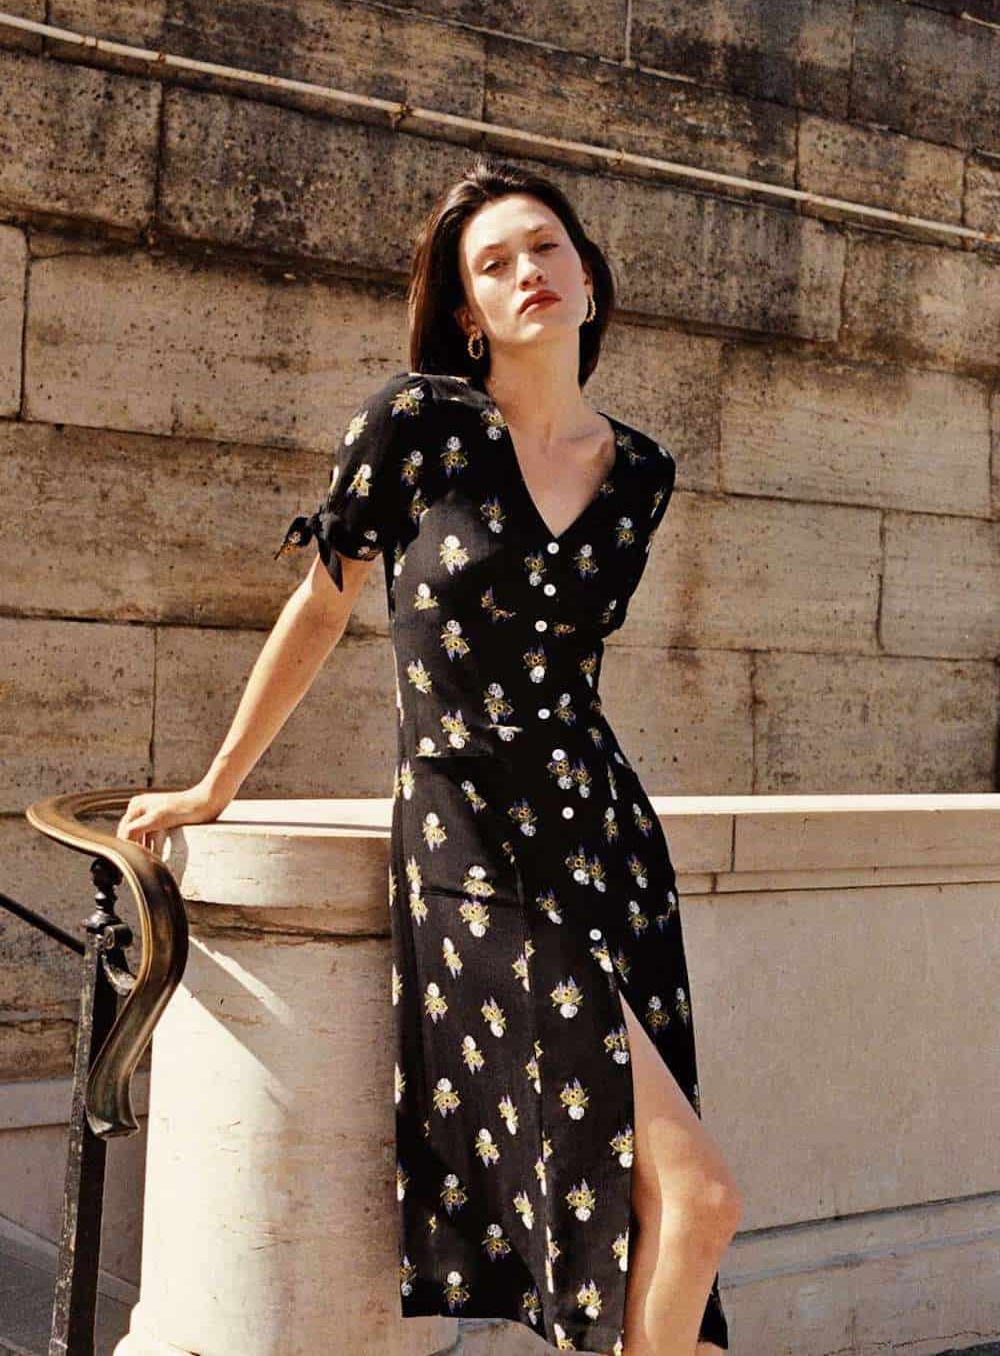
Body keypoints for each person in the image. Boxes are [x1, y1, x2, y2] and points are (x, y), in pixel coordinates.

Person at [117, 154, 742, 1356]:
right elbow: (320, 605)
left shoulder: (642, 472)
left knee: (655, 1218)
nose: (525, 274)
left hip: (607, 841)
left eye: (544, 249)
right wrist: (219, 782)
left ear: (589, 281)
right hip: (473, 846)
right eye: (493, 264)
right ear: (468, 310)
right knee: (694, 1193)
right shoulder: (418, 426)